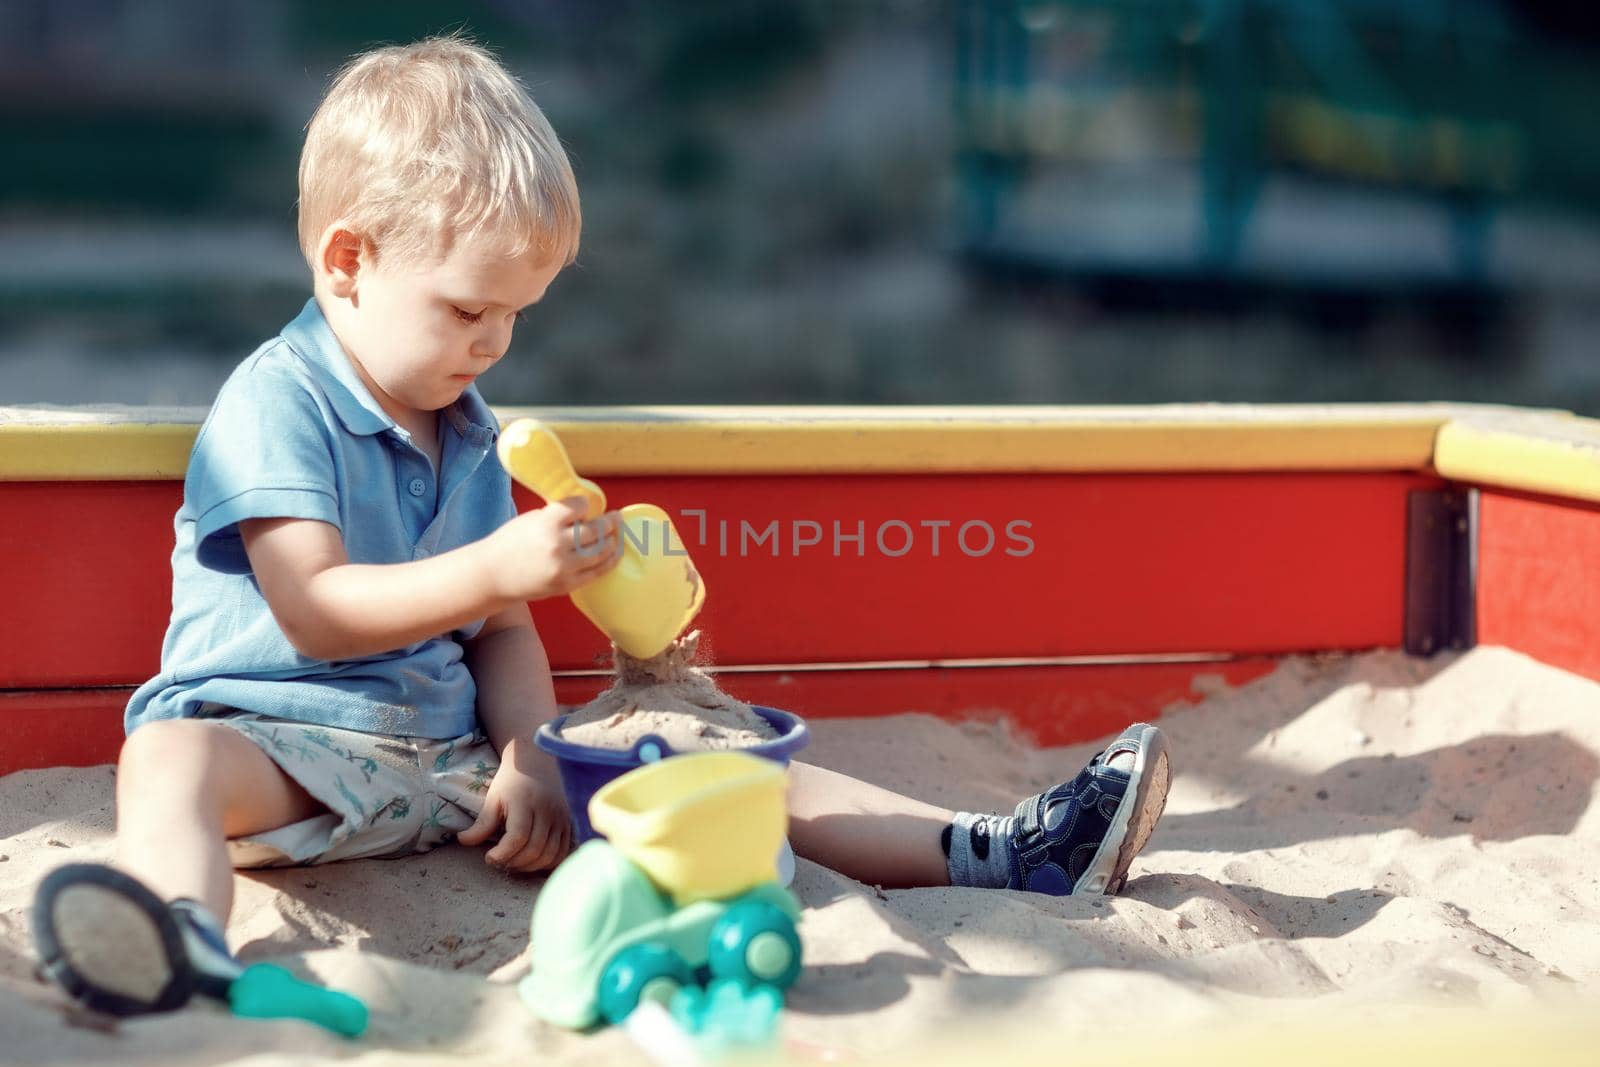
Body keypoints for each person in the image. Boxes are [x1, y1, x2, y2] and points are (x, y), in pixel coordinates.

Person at [31, 36, 1173, 1018]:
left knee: (695, 758)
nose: (491, 345)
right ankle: (180, 933)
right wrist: (490, 567)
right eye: (468, 310)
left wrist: (530, 748)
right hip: (283, 750)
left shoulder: (464, 429)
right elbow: (314, 609)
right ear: (347, 263)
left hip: (453, 766)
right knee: (164, 755)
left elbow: (500, 636)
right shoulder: (274, 404)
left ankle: (1004, 850)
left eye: (515, 317)